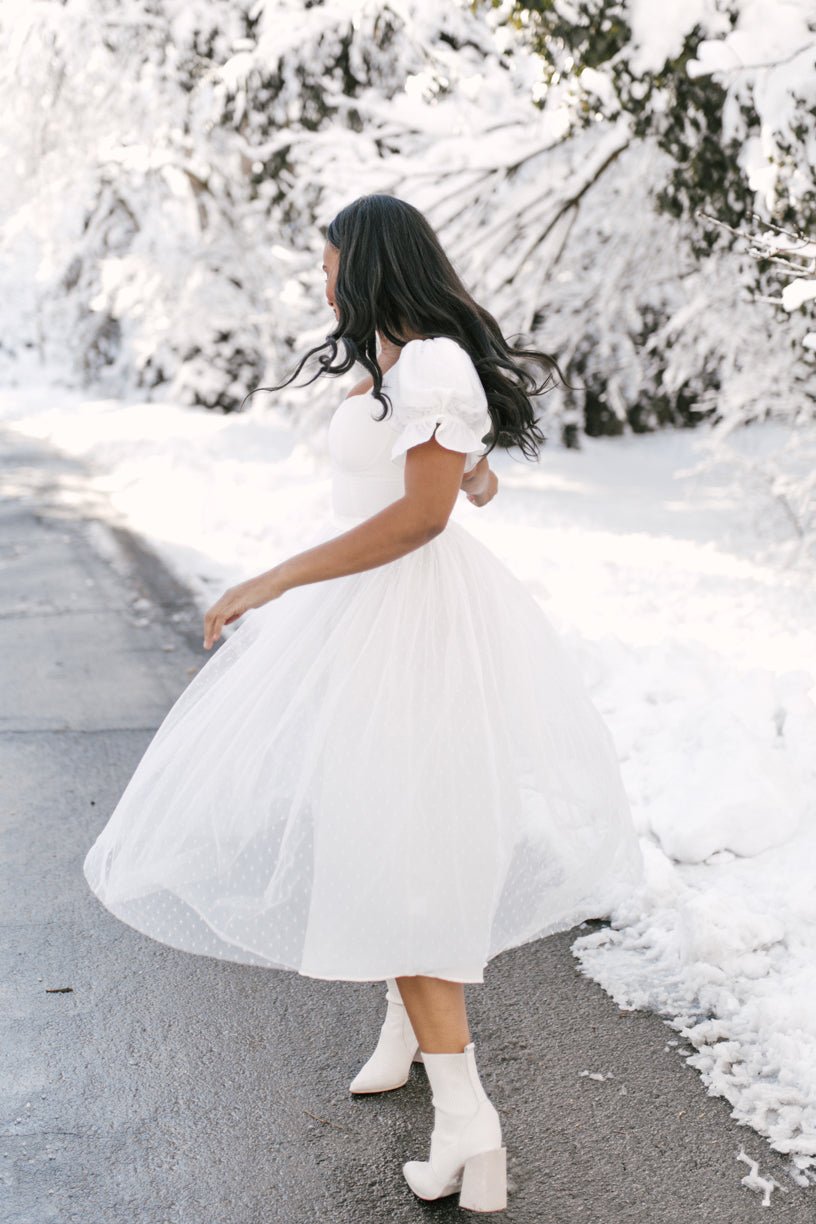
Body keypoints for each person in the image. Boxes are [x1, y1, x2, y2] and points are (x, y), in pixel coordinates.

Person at [83, 193, 645, 1213]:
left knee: (404, 857)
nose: (322, 278)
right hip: (370, 623)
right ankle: (404, 1030)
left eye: (330, 260)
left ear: (371, 261)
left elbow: (422, 520)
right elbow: (463, 486)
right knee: (370, 833)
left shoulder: (429, 363)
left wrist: (276, 578)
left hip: (405, 626)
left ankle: (469, 1113)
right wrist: (469, 468)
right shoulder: (398, 367)